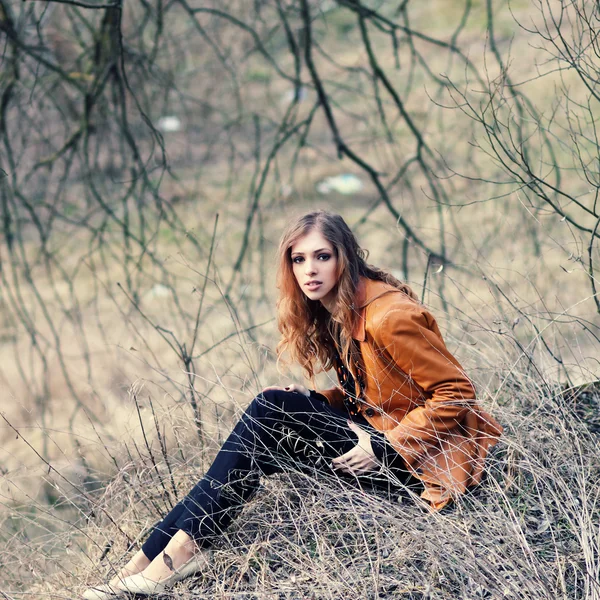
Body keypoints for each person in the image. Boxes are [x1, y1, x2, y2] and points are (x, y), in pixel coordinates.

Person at [82, 210, 502, 598]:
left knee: (269, 408)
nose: (310, 269)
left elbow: (457, 392)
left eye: (322, 256)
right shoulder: (340, 309)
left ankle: (175, 555)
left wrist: (383, 445)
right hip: (383, 443)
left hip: (418, 467)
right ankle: (148, 561)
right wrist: (317, 401)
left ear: (345, 257)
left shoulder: (389, 317)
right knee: (270, 414)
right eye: (298, 259)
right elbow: (379, 395)